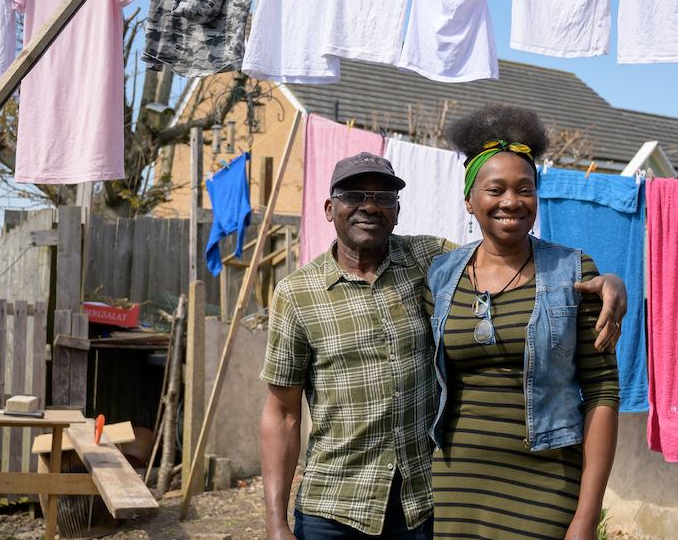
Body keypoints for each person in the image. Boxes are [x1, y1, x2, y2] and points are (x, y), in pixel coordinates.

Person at [260, 152, 626, 539]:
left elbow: (501, 248)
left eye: (384, 198)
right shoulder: (296, 294)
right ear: (329, 208)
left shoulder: (432, 261)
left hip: (422, 504)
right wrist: (274, 522)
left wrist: (612, 282)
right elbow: (282, 415)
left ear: (398, 211)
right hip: (335, 506)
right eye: (354, 195)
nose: (369, 206)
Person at [426, 105, 620, 540]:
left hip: (546, 481)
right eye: (495, 189)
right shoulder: (441, 275)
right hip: (456, 484)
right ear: (470, 200)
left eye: (525, 189)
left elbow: (603, 393)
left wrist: (586, 518)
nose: (511, 201)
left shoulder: (573, 271)